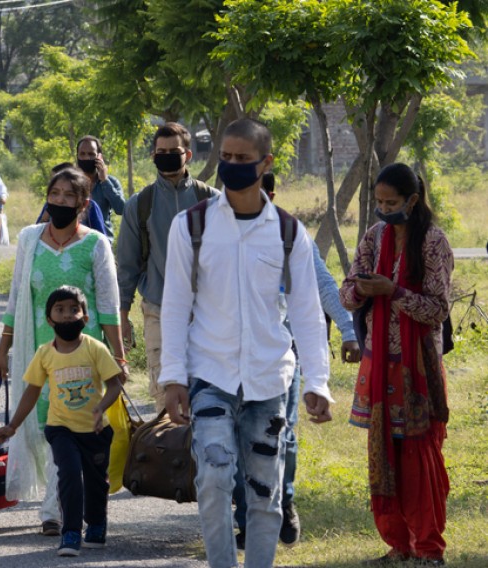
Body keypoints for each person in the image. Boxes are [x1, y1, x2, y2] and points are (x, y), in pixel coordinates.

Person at [160, 118, 332, 568]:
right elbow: (175, 304)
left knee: (265, 492)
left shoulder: (288, 232)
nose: (232, 165)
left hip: (269, 380)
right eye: (226, 157)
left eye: (243, 158)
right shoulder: (191, 225)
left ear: (266, 163)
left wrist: (318, 381)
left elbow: (307, 313)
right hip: (210, 376)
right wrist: (173, 377)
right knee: (214, 480)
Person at [0, 167, 126, 538]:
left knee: (73, 426)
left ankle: (55, 510)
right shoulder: (30, 239)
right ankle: (60, 505)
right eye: (55, 194)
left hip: (84, 353)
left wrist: (118, 357)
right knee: (46, 427)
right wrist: (3, 350)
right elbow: (16, 299)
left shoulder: (96, 244)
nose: (61, 201)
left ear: (84, 204)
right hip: (40, 349)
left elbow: (109, 305)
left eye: (70, 196)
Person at [232, 172, 360, 549]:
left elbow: (323, 286)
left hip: (281, 358)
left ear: (270, 195)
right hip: (230, 358)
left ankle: (284, 501)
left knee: (281, 436)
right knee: (237, 437)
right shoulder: (217, 236)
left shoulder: (290, 237)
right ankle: (248, 518)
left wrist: (348, 330)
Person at [339, 163, 452, 566]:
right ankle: (399, 545)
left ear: (413, 200)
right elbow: (347, 294)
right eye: (380, 202)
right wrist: (361, 290)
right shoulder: (374, 236)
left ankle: (428, 548)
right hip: (379, 362)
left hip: (417, 364)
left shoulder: (433, 242)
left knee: (418, 456)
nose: (384, 209)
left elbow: (437, 310)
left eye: (391, 203)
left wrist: (394, 291)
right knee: (383, 452)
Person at [0, 286, 123, 557]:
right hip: (61, 428)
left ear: (85, 318)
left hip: (95, 431)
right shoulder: (45, 354)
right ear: (49, 319)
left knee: (96, 483)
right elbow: (31, 392)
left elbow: (114, 385)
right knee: (69, 475)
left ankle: (96, 525)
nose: (67, 315)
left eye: (74, 309)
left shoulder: (95, 349)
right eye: (60, 309)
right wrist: (13, 425)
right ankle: (71, 532)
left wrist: (101, 408)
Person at [115, 122, 219, 412]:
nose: (167, 156)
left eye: (174, 151)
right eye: (161, 152)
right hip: (158, 312)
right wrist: (122, 317)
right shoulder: (140, 205)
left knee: (208, 398)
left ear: (188, 154)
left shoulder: (212, 201)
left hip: (207, 315)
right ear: (153, 156)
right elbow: (127, 266)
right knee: (166, 400)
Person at [75, 135, 126, 240]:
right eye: (82, 154)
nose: (86, 158)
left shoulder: (111, 182)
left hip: (102, 241)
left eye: (91, 154)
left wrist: (104, 181)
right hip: (76, 242)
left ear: (99, 157)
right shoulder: (69, 183)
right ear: (77, 156)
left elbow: (121, 209)